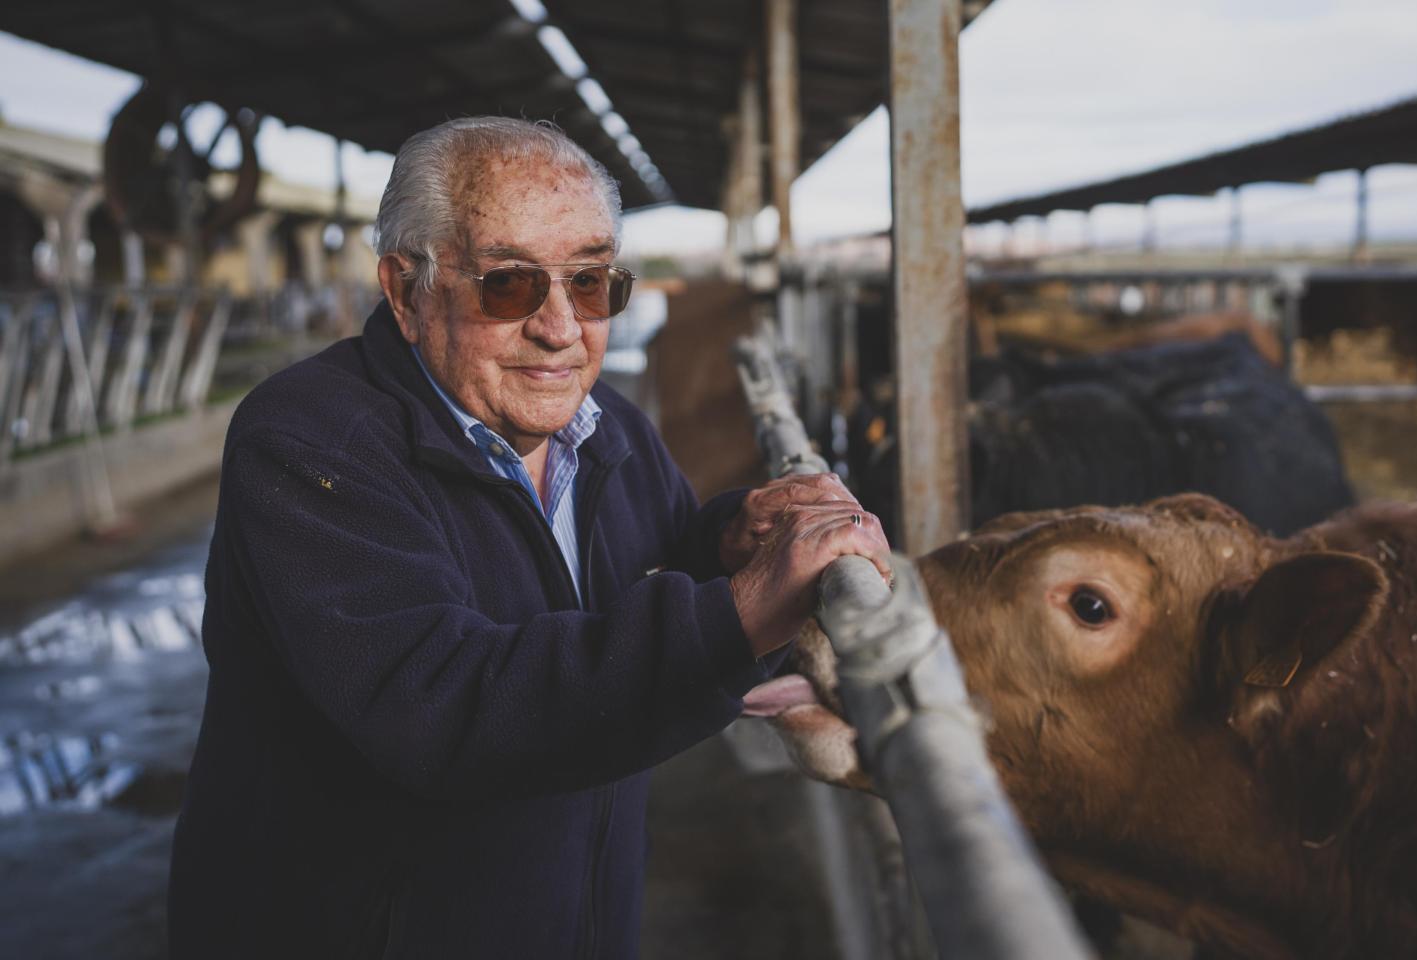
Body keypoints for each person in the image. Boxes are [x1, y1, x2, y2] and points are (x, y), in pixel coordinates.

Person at [166, 116, 890, 959]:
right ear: (406, 291)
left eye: (590, 282)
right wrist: (739, 616)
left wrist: (732, 538)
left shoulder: (608, 424)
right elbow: (440, 706)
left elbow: (648, 562)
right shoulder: (312, 446)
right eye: (508, 284)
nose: (560, 326)